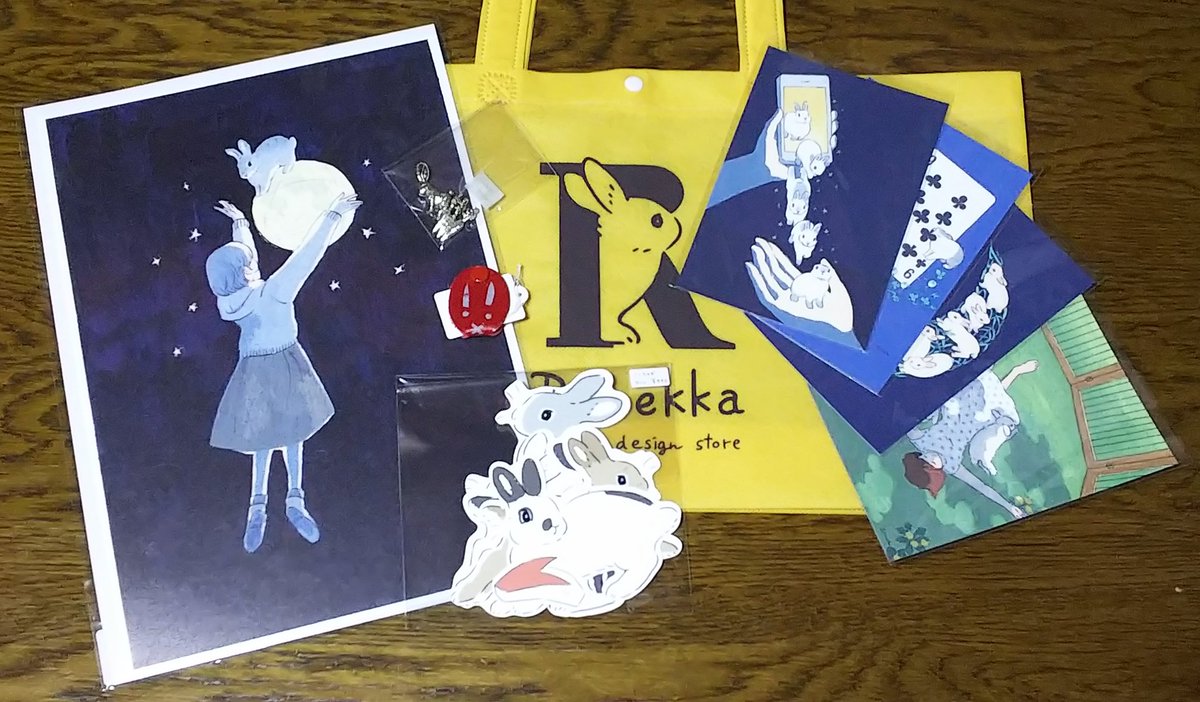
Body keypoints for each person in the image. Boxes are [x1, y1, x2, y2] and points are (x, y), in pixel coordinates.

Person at [206, 193, 361, 553]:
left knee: (266, 436)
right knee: (292, 432)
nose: (253, 264)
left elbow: (245, 261)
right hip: (284, 364)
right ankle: (290, 500)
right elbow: (306, 257)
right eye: (249, 264)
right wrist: (331, 216)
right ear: (245, 272)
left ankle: (261, 506)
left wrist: (240, 223)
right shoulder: (274, 292)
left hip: (253, 369)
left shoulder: (229, 302)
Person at [900, 361, 1040, 520]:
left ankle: (1006, 367)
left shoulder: (920, 440)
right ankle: (1016, 371)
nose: (933, 459)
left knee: (977, 391)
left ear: (921, 457)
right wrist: (1009, 507)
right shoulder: (951, 465)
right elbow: (981, 486)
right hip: (980, 419)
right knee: (995, 408)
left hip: (961, 400)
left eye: (927, 459)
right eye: (934, 465)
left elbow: (906, 419)